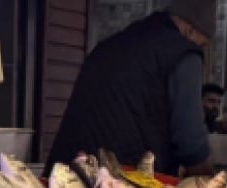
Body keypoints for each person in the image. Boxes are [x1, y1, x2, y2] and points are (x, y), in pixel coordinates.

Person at [46, 0, 215, 176]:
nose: (199, 49)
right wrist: (209, 183)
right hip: (114, 186)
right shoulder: (183, 52)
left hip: (60, 177)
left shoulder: (110, 45)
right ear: (189, 30)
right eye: (202, 44)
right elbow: (191, 144)